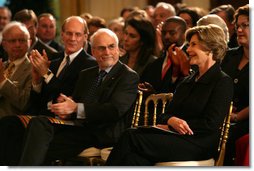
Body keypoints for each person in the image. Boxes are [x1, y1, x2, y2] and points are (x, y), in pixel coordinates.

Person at [106, 24, 233, 166]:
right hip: (175, 137)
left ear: (210, 48)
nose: (188, 49)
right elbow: (165, 115)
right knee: (133, 159)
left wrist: (175, 125)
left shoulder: (222, 81)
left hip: (199, 143)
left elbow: (211, 123)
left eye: (193, 45)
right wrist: (171, 120)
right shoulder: (187, 81)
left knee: (130, 136)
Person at [18, 28, 139, 165]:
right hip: (79, 128)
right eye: (101, 48)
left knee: (35, 144)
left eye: (111, 47)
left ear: (118, 49)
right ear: (93, 52)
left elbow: (114, 110)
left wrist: (76, 108)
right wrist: (65, 108)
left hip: (103, 133)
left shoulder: (128, 76)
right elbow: (75, 104)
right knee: (38, 123)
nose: (107, 52)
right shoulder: (86, 74)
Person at [0, 16, 97, 166]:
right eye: (69, 33)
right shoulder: (55, 61)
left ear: (85, 37)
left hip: (66, 122)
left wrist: (46, 74)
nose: (72, 38)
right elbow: (38, 100)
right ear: (62, 35)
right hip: (42, 117)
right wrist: (37, 81)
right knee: (10, 125)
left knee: (13, 125)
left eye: (78, 34)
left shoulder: (90, 64)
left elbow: (67, 98)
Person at [222, 4, 249, 166]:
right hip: (224, 115)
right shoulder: (229, 56)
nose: (239, 30)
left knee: (227, 136)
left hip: (246, 120)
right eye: (238, 26)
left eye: (245, 25)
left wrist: (237, 116)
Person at [140, 16, 188, 94]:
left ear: (184, 34)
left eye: (172, 33)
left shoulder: (191, 58)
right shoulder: (154, 64)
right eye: (164, 33)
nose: (166, 37)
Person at [0, 21, 32, 118]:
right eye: (13, 41)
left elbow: (25, 103)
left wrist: (2, 81)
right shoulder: (2, 66)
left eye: (22, 40)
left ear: (29, 42)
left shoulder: (34, 69)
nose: (18, 45)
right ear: (4, 44)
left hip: (14, 126)